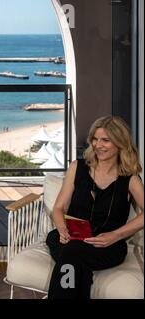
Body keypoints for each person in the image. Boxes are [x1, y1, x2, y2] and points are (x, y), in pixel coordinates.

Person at [46, 116, 144, 299]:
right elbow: (59, 208)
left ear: (120, 142)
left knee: (71, 255)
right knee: (72, 251)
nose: (98, 145)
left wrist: (116, 235)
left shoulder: (130, 178)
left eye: (105, 140)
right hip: (68, 238)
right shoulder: (78, 167)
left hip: (107, 246)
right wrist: (61, 229)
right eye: (95, 139)